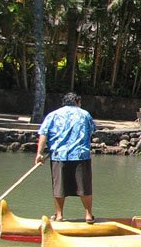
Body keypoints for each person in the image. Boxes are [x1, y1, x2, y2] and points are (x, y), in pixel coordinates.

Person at [34, 92, 97, 222]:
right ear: (77, 102)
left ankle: (59, 215)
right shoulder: (85, 114)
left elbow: (44, 134)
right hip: (80, 155)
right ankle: (88, 215)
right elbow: (92, 130)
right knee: (84, 187)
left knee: (59, 187)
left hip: (59, 155)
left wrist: (39, 153)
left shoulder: (53, 115)